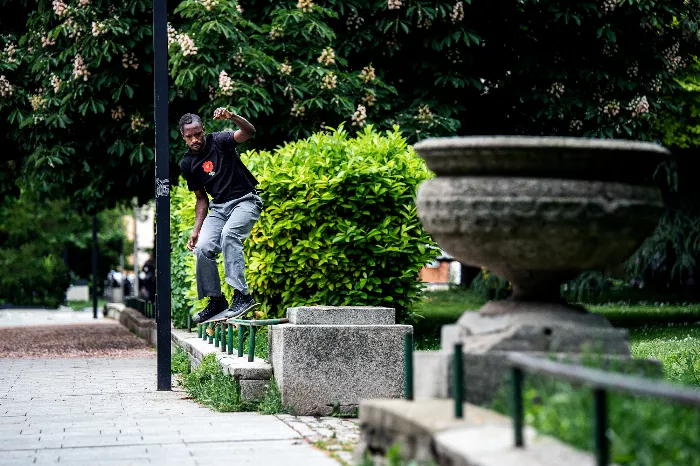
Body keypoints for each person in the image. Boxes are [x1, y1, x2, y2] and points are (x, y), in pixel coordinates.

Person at [178, 108, 263, 323]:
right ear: (183, 137)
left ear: (204, 131)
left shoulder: (220, 140)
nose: (195, 140)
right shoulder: (187, 164)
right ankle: (216, 300)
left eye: (198, 134)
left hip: (245, 200)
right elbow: (201, 199)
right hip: (219, 208)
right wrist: (196, 230)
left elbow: (249, 132)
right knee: (203, 247)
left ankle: (242, 296)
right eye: (190, 137)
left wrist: (233, 117)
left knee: (229, 236)